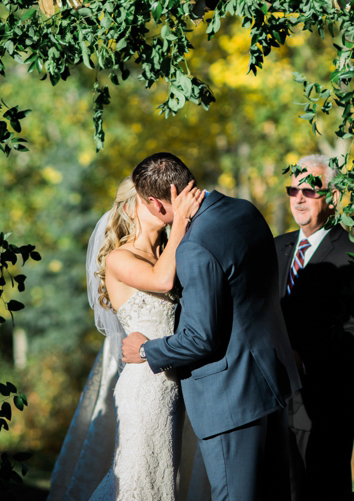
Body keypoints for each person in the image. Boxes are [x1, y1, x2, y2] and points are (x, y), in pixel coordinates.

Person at [122, 152, 301, 501]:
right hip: (272, 382)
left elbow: (199, 339)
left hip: (230, 399)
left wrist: (146, 349)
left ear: (157, 204)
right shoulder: (244, 209)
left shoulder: (194, 246)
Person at [49, 177, 204, 500]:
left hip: (175, 385)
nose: (157, 204)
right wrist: (181, 223)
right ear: (130, 209)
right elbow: (162, 281)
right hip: (144, 389)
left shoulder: (171, 251)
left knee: (163, 482)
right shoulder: (119, 258)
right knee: (136, 482)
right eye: (147, 199)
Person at [274, 154, 354, 500]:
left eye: (310, 190)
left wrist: (303, 359)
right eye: (294, 190)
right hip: (273, 404)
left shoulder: (349, 256)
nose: (300, 198)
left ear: (334, 197)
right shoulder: (277, 248)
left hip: (325, 407)